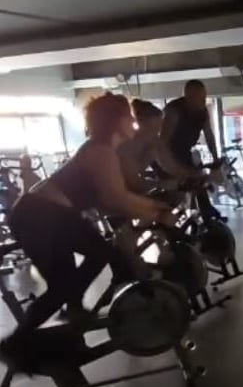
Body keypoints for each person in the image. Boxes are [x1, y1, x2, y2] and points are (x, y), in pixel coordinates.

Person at [0, 93, 175, 371]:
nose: (133, 123)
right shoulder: (100, 152)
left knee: (94, 262)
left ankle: (72, 322)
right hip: (40, 215)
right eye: (129, 118)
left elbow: (110, 199)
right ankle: (15, 345)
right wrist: (156, 210)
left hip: (55, 215)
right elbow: (117, 199)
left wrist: (153, 206)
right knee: (77, 275)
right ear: (116, 121)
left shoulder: (104, 151)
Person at [161, 80, 225, 222]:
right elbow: (163, 144)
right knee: (178, 190)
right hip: (167, 154)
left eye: (204, 97)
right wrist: (174, 169)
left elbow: (209, 136)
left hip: (184, 152)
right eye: (199, 98)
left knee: (198, 181)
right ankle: (169, 219)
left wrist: (215, 161)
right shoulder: (174, 111)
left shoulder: (202, 112)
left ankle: (206, 215)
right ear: (188, 96)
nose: (203, 101)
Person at [119, 99, 201, 195]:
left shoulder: (155, 143)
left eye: (158, 129)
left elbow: (172, 167)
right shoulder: (128, 145)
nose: (156, 133)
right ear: (141, 124)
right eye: (152, 129)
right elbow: (131, 182)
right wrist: (159, 184)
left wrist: (193, 176)